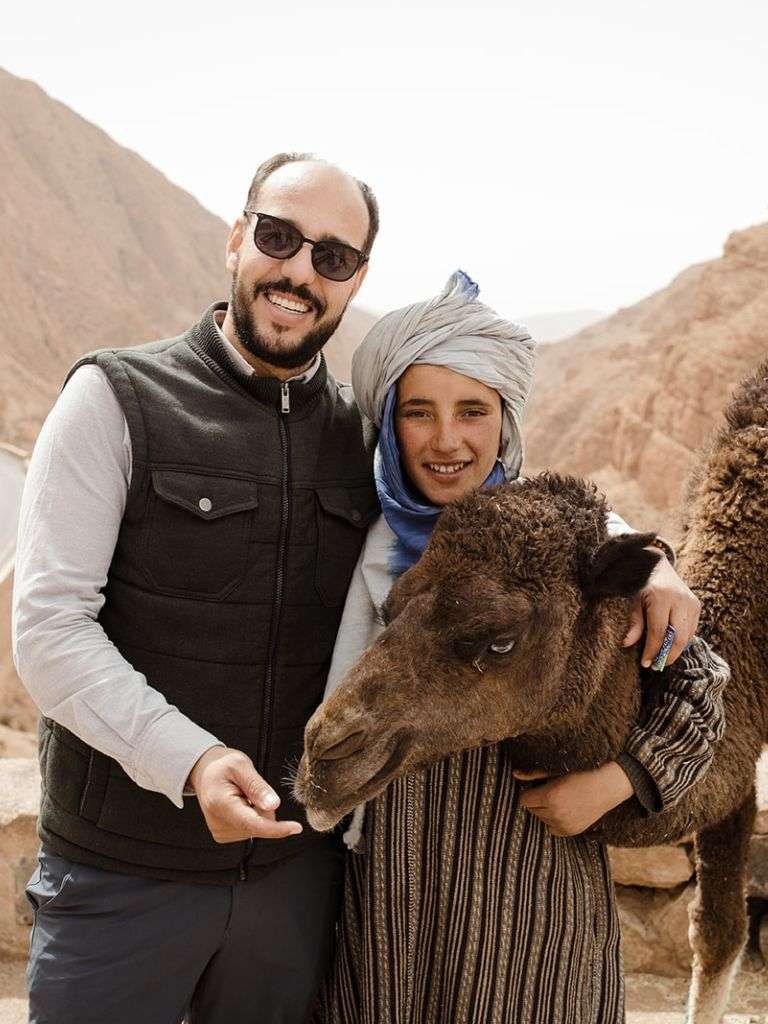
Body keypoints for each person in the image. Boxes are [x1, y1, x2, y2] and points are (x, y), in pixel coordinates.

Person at [13, 153, 381, 1024]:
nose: (299, 272)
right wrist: (193, 763)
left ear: (357, 279)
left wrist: (645, 559)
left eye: (332, 257)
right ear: (236, 237)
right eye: (279, 237)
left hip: (293, 886)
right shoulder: (116, 398)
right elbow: (50, 629)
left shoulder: (366, 437)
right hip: (118, 881)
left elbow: (482, 492)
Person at [312, 272, 729, 1024]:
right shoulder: (354, 535)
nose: (446, 440)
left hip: (535, 896)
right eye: (418, 412)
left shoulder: (562, 549)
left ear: (504, 420)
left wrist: (621, 780)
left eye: (472, 411)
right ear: (389, 423)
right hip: (389, 906)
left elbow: (700, 686)